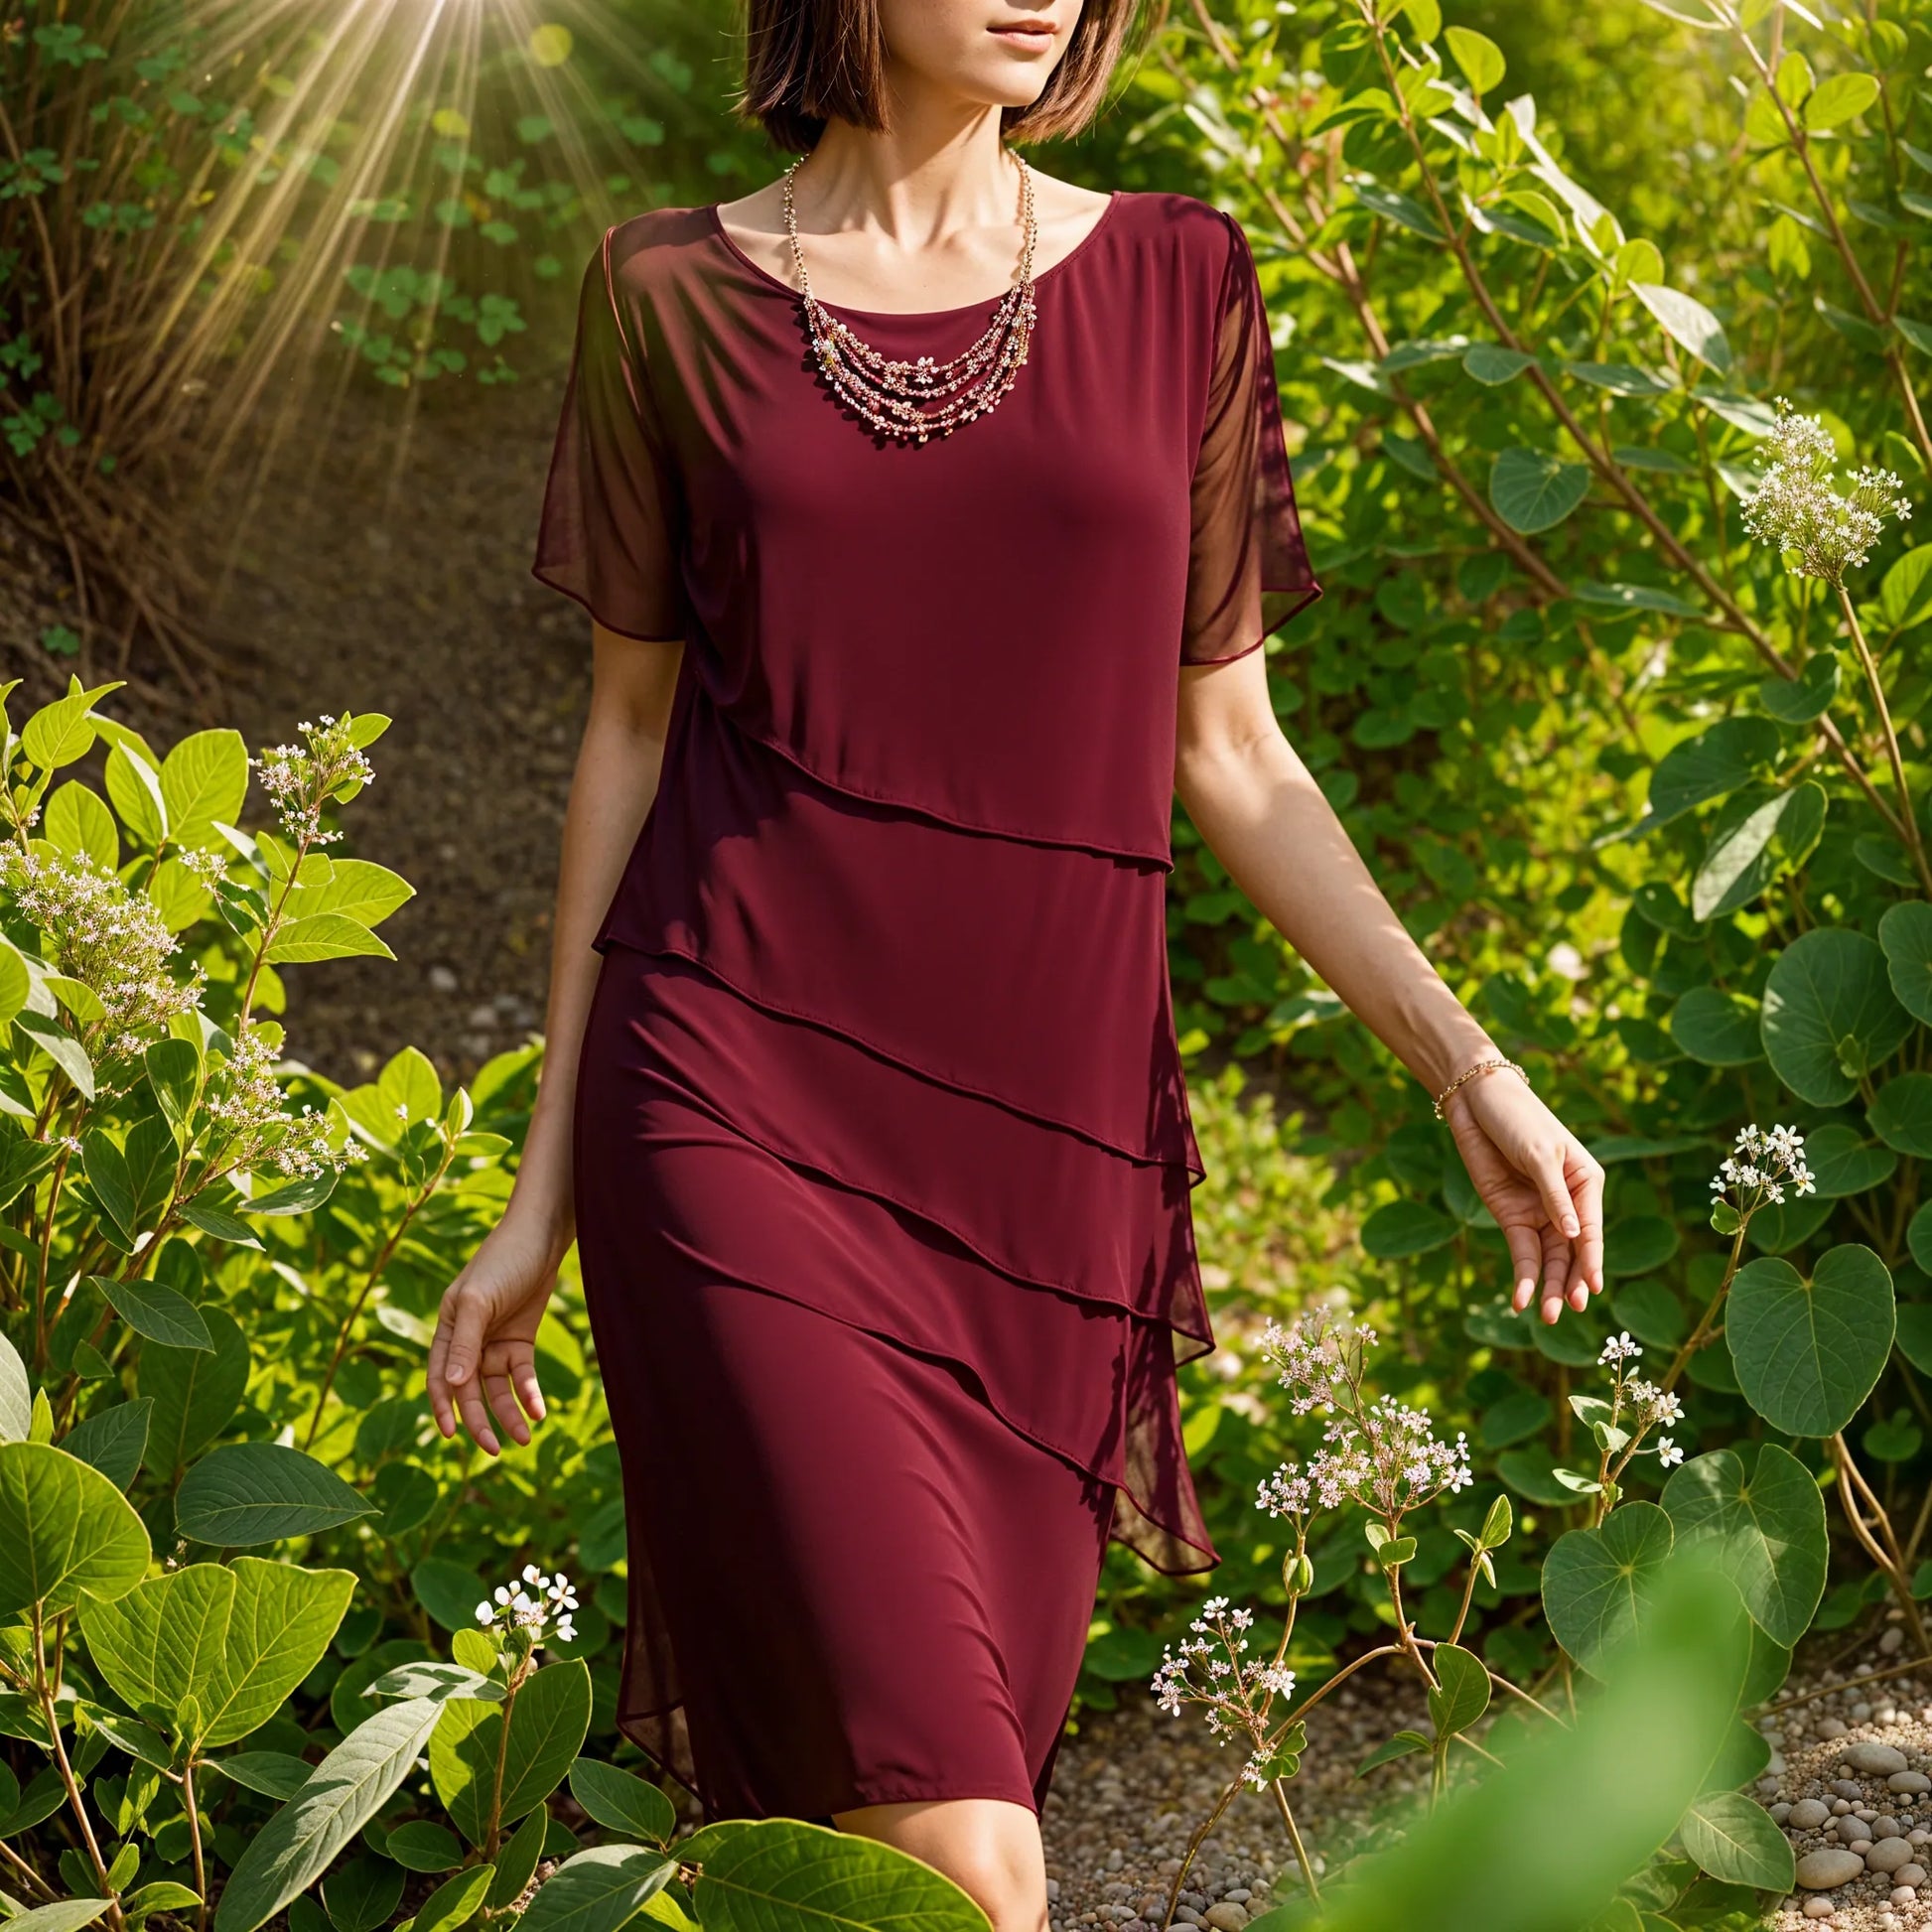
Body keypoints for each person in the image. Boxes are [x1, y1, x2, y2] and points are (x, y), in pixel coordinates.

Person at [423, 0, 1605, 1920]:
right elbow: (625, 738)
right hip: (729, 1094)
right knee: (965, 1849)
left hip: (1044, 1177)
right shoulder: (665, 295)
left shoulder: (1178, 279)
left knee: (880, 1834)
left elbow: (1233, 753)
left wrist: (1464, 1063)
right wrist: (540, 1185)